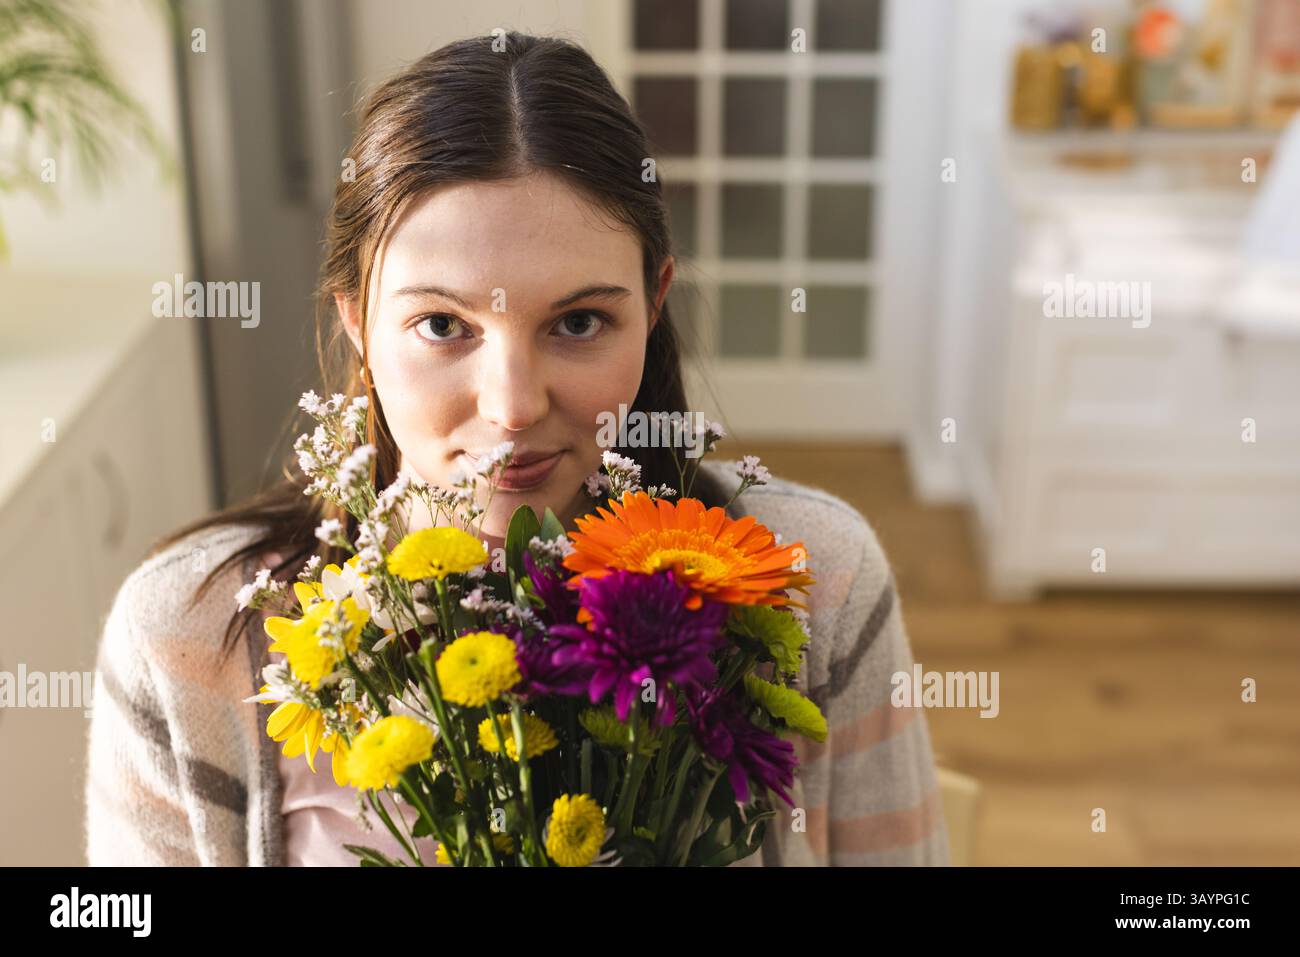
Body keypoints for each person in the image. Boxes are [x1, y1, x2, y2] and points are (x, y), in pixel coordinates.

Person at [83, 31, 949, 867]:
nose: (513, 406)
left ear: (653, 306)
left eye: (578, 322)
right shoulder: (185, 642)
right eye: (442, 325)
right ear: (357, 323)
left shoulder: (816, 585)